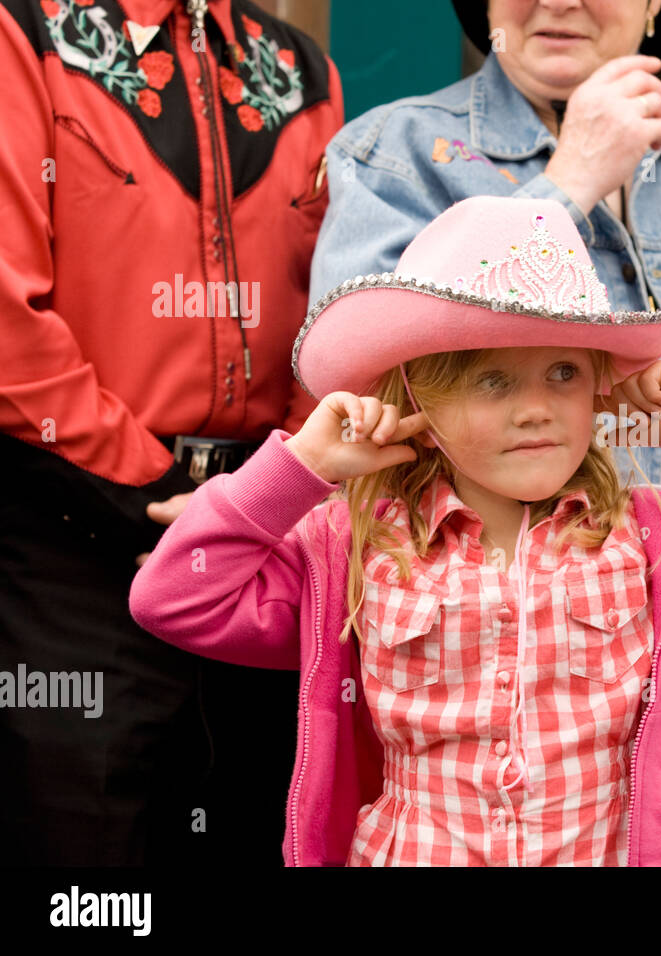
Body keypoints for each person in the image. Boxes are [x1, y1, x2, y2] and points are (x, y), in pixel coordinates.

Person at [128, 195, 661, 866]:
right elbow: (172, 598)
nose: (536, 408)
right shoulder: (350, 549)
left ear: (601, 384)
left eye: (563, 372)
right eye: (493, 379)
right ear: (418, 399)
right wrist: (301, 468)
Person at [309, 0, 661, 862]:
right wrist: (567, 184)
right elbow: (363, 393)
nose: (560, 0)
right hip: (458, 692)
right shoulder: (391, 152)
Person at [0, 0, 343, 864]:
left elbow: (334, 310)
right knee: (88, 852)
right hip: (74, 541)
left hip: (269, 541)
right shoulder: (23, 33)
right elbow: (8, 317)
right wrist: (160, 490)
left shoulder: (300, 68)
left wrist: (284, 486)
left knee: (263, 823)